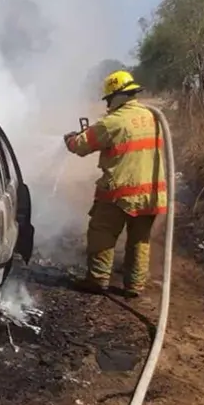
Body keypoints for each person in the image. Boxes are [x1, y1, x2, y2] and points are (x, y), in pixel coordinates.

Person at [63, 70, 167, 297]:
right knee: (140, 240)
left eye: (109, 99)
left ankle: (97, 280)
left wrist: (70, 140)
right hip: (151, 193)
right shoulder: (153, 117)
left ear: (117, 96)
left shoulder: (113, 122)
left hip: (120, 193)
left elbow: (81, 145)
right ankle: (134, 286)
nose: (108, 104)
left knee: (102, 232)